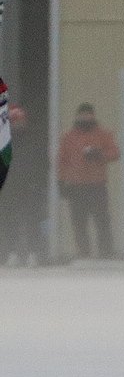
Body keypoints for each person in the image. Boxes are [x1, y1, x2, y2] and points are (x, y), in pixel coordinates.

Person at [56, 102, 120, 259]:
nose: (85, 118)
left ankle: (106, 251)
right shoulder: (68, 137)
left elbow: (115, 153)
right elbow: (62, 161)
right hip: (76, 186)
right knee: (79, 222)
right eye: (82, 115)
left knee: (102, 220)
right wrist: (61, 182)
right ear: (77, 116)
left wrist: (99, 154)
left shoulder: (103, 134)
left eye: (88, 115)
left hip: (96, 185)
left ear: (93, 116)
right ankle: (83, 252)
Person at [2, 104, 45, 266]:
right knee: (9, 221)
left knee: (32, 220)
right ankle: (11, 252)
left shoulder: (33, 141)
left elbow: (41, 164)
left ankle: (34, 253)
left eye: (19, 121)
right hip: (10, 187)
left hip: (30, 187)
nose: (16, 125)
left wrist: (38, 182)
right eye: (13, 121)